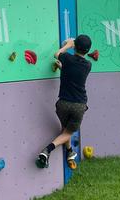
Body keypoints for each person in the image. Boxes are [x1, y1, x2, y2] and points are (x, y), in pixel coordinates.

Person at [37, 35, 92, 169]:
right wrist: (64, 67)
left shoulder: (67, 58)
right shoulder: (87, 65)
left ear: (75, 46)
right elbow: (75, 76)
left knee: (64, 129)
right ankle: (47, 150)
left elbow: (57, 54)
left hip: (63, 104)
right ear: (88, 50)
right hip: (78, 105)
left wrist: (68, 45)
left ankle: (69, 151)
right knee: (68, 132)